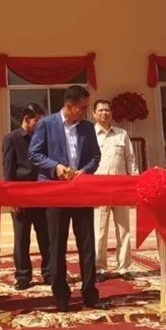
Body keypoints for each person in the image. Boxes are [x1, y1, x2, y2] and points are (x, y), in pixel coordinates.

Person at [28, 85, 106, 312]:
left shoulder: (87, 128)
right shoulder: (47, 124)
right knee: (56, 245)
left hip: (80, 191)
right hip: (55, 192)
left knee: (87, 244)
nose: (85, 111)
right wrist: (55, 167)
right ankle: (61, 295)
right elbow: (34, 153)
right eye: (82, 107)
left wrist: (84, 171)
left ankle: (90, 293)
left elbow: (95, 156)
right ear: (69, 106)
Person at [2, 102, 51, 290]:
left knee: (45, 236)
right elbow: (8, 169)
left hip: (41, 193)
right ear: (26, 119)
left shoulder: (42, 138)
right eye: (36, 121)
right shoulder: (12, 138)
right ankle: (23, 275)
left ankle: (49, 272)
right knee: (22, 237)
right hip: (20, 195)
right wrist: (11, 197)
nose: (39, 125)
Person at [92, 99, 139, 283]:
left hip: (121, 187)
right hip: (99, 188)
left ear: (111, 113)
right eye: (100, 110)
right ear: (94, 114)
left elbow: (130, 159)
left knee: (123, 228)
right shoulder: (90, 135)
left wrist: (134, 182)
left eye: (107, 110)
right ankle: (100, 267)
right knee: (100, 230)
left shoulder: (122, 134)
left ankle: (123, 267)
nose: (104, 113)